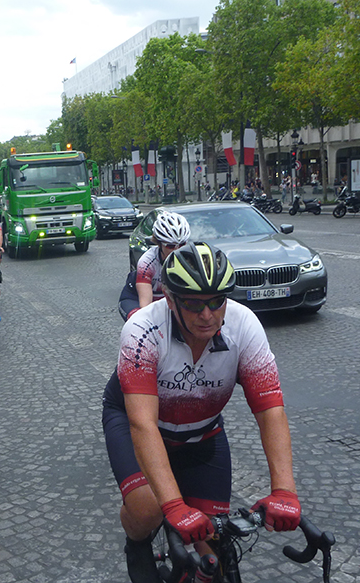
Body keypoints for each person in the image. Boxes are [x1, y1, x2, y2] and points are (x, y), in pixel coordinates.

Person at [103, 243, 300, 583]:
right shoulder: (143, 330)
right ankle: (136, 543)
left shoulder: (244, 326)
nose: (207, 314)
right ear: (171, 300)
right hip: (139, 423)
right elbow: (143, 423)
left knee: (214, 545)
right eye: (193, 304)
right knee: (149, 509)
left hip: (202, 431)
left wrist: (284, 490)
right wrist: (173, 505)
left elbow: (270, 410)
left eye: (216, 302)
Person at [118, 212, 190, 321]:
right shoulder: (147, 262)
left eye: (182, 245)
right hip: (136, 299)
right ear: (159, 244)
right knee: (142, 321)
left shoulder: (191, 259)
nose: (177, 250)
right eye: (170, 246)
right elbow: (146, 307)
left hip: (167, 299)